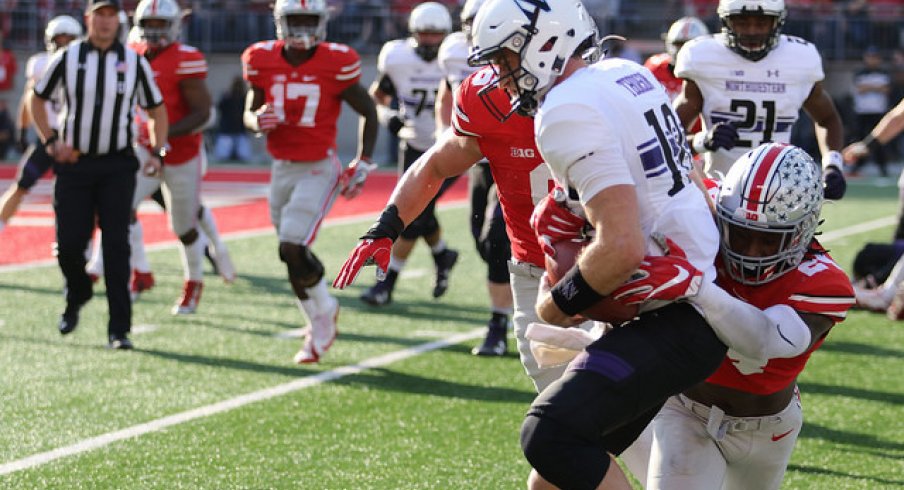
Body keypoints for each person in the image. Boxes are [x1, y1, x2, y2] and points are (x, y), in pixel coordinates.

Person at [463, 0, 729, 488]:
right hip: (695, 293)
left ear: (544, 43)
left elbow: (622, 246)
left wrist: (556, 304)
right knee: (549, 479)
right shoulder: (626, 73)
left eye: (504, 59)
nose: (500, 76)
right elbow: (686, 178)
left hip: (674, 312)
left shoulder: (564, 111)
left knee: (550, 435)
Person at [532, 143, 855, 489]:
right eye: (741, 233)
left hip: (768, 427)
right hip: (687, 410)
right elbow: (625, 205)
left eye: (768, 241)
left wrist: (697, 287)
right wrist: (569, 258)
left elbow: (763, 341)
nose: (750, 252)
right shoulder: (699, 216)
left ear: (802, 233)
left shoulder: (823, 281)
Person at [242, 0, 378, 364]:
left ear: (322, 22)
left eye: (309, 20)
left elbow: (368, 110)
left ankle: (323, 316)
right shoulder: (261, 58)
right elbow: (250, 110)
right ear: (279, 22)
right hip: (281, 167)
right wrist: (258, 120)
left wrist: (363, 161)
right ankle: (319, 317)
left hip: (319, 166)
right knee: (291, 254)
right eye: (295, 20)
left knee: (291, 245)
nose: (302, 27)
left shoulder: (336, 61)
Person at [28, 0, 168, 350]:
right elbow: (37, 98)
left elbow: (156, 109)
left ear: (119, 20)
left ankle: (119, 329)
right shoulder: (69, 57)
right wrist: (50, 141)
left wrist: (156, 150)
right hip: (75, 163)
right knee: (69, 246)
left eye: (111, 15)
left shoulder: (135, 61)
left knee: (117, 246)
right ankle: (79, 291)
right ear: (88, 19)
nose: (105, 23)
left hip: (117, 165)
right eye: (99, 15)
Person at [672, 0, 847, 201]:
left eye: (761, 23)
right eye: (742, 22)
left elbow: (827, 119)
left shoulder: (799, 58)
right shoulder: (703, 56)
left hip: (780, 191)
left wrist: (833, 164)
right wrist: (703, 140)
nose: (752, 31)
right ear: (725, 21)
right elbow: (670, 136)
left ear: (777, 22)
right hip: (721, 188)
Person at [358, 1, 460, 307]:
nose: (430, 40)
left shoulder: (457, 58)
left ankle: (386, 284)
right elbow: (376, 97)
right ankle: (442, 255)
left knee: (412, 215)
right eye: (424, 33)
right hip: (413, 144)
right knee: (416, 211)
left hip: (450, 147)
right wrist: (386, 114)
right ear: (413, 32)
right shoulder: (397, 56)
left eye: (436, 34)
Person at [435, 0, 513, 356]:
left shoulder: (517, 49)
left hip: (514, 154)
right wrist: (443, 132)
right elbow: (447, 91)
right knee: (483, 242)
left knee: (497, 240)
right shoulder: (453, 50)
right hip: (477, 155)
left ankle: (498, 325)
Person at [0, 16, 82, 234]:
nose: (63, 45)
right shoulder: (40, 64)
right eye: (59, 39)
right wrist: (22, 128)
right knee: (22, 184)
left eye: (68, 40)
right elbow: (30, 99)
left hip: (76, 140)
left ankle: (89, 246)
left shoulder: (86, 65)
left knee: (83, 196)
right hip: (48, 137)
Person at [848, 46, 892, 177]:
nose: (872, 60)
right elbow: (860, 89)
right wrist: (876, 87)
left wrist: (869, 87)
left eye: (875, 57)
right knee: (860, 140)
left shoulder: (884, 72)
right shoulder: (860, 72)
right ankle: (855, 167)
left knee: (879, 139)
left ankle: (883, 168)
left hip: (878, 112)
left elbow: (886, 90)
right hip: (862, 112)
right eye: (870, 57)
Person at [644, 16, 709, 101]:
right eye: (679, 45)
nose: (683, 51)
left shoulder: (711, 73)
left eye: (689, 46)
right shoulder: (655, 67)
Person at [213, 76, 253, 163]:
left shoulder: (245, 98)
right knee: (222, 156)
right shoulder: (227, 97)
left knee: (244, 156)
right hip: (226, 131)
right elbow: (220, 108)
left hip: (240, 130)